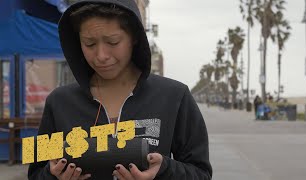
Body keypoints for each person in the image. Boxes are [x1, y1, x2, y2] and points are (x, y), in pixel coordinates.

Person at [28, 0, 212, 180]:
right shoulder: (59, 102)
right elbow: (36, 172)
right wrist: (53, 176)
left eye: (113, 42)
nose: (101, 56)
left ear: (135, 37)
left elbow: (201, 173)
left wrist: (164, 169)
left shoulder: (175, 96)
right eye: (89, 44)